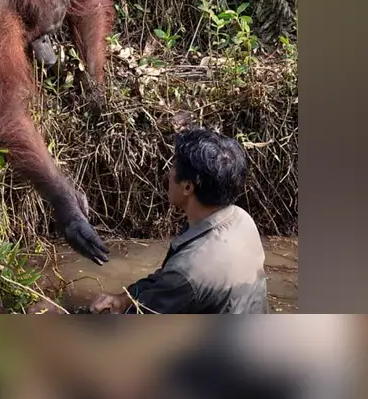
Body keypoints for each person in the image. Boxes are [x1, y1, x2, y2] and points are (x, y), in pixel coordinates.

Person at [89, 128, 269, 314]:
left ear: (188, 187)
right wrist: (124, 299)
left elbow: (140, 319)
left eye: (174, 166)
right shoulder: (242, 219)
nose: (169, 172)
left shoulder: (187, 272)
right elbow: (165, 281)